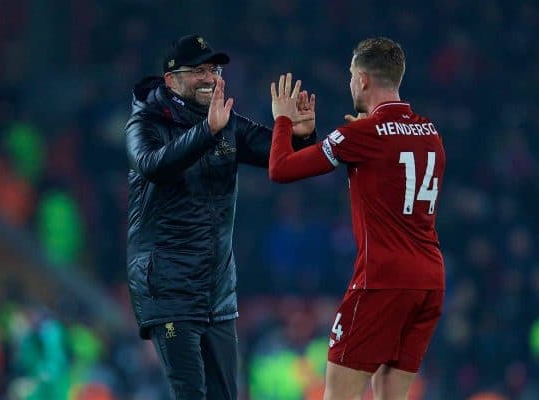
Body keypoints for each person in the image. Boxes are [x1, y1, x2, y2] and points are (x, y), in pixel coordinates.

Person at [124, 34, 315, 399]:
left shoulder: (225, 122)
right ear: (171, 80)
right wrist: (206, 131)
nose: (210, 77)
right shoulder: (145, 121)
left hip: (217, 293)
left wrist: (300, 134)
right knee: (191, 393)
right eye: (199, 70)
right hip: (168, 289)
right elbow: (152, 166)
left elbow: (281, 158)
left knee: (226, 395)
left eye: (213, 68)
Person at [268, 38, 446, 400]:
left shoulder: (362, 135)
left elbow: (280, 169)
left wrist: (284, 121)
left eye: (351, 75)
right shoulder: (431, 133)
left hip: (381, 282)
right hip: (429, 281)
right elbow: (389, 161)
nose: (350, 83)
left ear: (363, 80)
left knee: (339, 396)